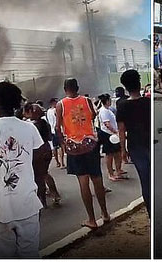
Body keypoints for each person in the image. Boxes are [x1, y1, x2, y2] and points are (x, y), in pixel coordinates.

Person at [0, 82, 46, 258]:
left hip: (1, 210)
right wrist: (40, 195)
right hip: (28, 205)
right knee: (30, 254)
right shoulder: (30, 128)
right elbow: (40, 165)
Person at [55, 78, 110, 229]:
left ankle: (91, 220)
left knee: (83, 183)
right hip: (90, 144)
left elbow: (57, 127)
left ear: (64, 88)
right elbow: (93, 116)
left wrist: (63, 144)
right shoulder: (87, 100)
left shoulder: (60, 105)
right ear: (78, 87)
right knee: (97, 179)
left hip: (74, 147)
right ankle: (105, 213)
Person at [117, 69, 151, 217]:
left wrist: (123, 151)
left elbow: (121, 131)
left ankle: (151, 213)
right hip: (150, 144)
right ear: (140, 83)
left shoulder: (122, 106)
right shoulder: (148, 102)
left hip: (135, 147)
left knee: (145, 180)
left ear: (125, 87)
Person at [24, 102, 61, 207]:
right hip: (47, 149)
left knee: (39, 176)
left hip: (38, 152)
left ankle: (43, 200)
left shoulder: (32, 126)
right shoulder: (44, 123)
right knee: (45, 174)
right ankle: (54, 194)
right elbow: (49, 137)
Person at [97, 94, 124, 182]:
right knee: (110, 155)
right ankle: (110, 173)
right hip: (108, 135)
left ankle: (118, 170)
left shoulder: (108, 110)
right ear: (107, 101)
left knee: (117, 153)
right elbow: (107, 124)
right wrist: (116, 132)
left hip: (113, 134)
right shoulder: (104, 111)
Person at [46, 98, 65, 169]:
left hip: (52, 130)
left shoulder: (48, 111)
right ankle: (62, 163)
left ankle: (57, 162)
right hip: (58, 129)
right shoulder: (56, 110)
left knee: (54, 147)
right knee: (61, 147)